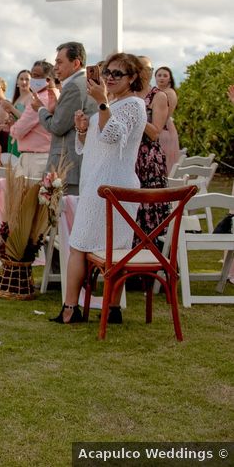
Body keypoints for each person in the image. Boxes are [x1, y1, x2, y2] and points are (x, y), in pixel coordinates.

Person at [52, 53, 148, 324]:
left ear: (132, 78)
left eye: (118, 73)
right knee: (85, 246)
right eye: (108, 72)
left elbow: (114, 136)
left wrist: (101, 102)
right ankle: (102, 309)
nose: (110, 77)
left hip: (115, 186)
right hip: (95, 183)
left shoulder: (134, 106)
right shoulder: (112, 104)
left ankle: (75, 309)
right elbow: (94, 146)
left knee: (85, 246)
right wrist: (82, 130)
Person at [35, 42, 97, 195]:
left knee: (65, 217)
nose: (55, 67)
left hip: (68, 167)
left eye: (59, 62)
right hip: (74, 165)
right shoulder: (82, 83)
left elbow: (58, 126)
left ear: (76, 63)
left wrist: (40, 109)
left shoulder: (75, 86)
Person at [134, 57, 171, 244]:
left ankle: (154, 255)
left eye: (148, 69)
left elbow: (155, 132)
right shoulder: (127, 94)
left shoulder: (158, 96)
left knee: (150, 206)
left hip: (148, 159)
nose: (144, 72)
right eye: (140, 68)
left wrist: (138, 116)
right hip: (129, 158)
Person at [9, 69, 53, 178]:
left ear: (47, 79)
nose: (31, 81)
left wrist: (13, 127)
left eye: (36, 76)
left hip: (35, 157)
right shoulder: (50, 97)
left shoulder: (37, 99)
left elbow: (19, 130)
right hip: (35, 151)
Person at [154, 66, 181, 169]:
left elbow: (164, 116)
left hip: (164, 130)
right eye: (159, 75)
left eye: (165, 76)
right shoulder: (156, 92)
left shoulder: (169, 93)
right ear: (155, 77)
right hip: (160, 129)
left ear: (169, 79)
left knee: (164, 165)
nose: (161, 78)